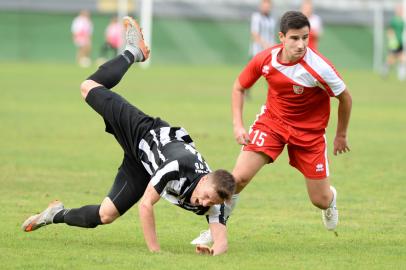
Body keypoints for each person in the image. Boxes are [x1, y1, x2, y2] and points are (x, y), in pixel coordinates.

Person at [22, 16, 236, 256]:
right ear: (205, 179)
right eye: (206, 197)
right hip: (143, 133)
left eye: (212, 203)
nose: (205, 204)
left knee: (106, 214)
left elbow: (222, 242)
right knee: (88, 87)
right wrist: (156, 253)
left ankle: (55, 215)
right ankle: (133, 52)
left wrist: (213, 252)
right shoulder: (178, 166)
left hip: (144, 164)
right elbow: (146, 205)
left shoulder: (216, 200)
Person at [192, 11, 352, 245]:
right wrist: (238, 125)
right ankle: (216, 229)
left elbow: (345, 98)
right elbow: (239, 87)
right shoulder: (265, 59)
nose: (301, 44)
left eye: (305, 38)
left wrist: (341, 134)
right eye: (295, 38)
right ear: (282, 37)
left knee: (320, 199)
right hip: (273, 124)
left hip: (309, 133)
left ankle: (331, 199)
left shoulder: (320, 68)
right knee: (238, 179)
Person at [383, 4, 405, 81]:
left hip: (400, 42)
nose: (401, 11)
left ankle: (401, 75)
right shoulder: (394, 20)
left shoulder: (402, 21)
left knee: (402, 58)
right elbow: (390, 31)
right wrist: (392, 40)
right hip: (394, 43)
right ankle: (385, 70)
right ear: (397, 11)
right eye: (400, 10)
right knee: (391, 59)